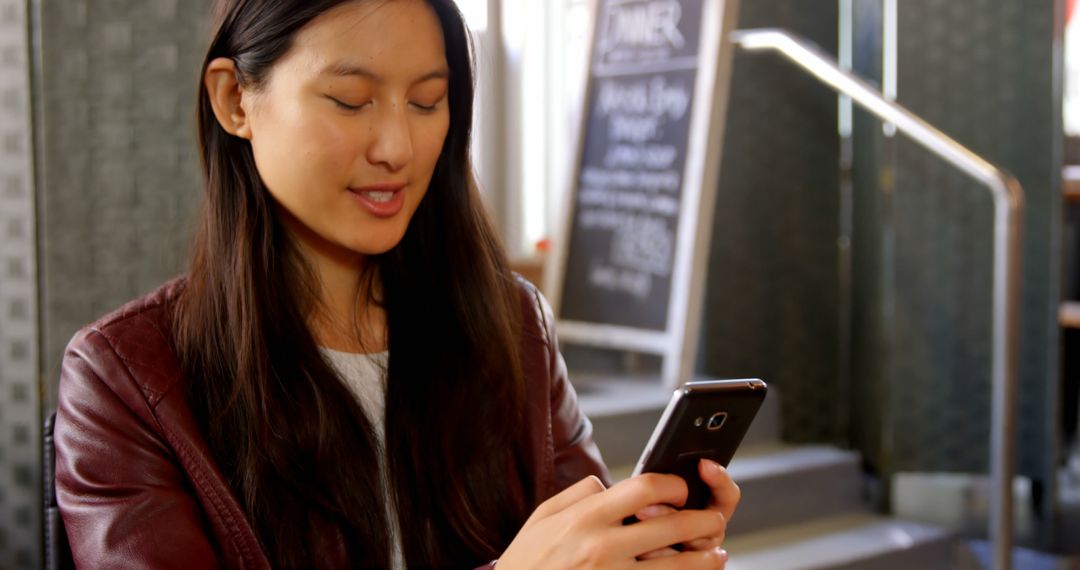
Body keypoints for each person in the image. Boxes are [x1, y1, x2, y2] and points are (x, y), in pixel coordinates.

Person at [53, 0, 740, 567]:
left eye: (426, 101)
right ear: (235, 99)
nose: (397, 148)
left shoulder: (511, 322)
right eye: (350, 101)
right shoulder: (125, 380)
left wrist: (642, 546)